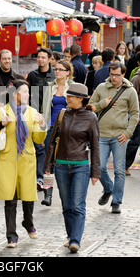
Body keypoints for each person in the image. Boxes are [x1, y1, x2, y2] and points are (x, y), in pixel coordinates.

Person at [0, 80, 47, 248]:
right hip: (8, 160)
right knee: (10, 200)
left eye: (28, 92)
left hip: (26, 159)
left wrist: (42, 126)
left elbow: (38, 139)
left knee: (28, 197)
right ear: (14, 94)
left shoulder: (32, 113)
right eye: (24, 92)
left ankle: (28, 222)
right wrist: (1, 124)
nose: (27, 95)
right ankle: (11, 236)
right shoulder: (2, 112)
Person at [43, 83, 100, 253]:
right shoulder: (62, 115)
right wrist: (48, 166)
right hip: (61, 166)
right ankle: (71, 236)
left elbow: (96, 146)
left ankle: (75, 240)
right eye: (67, 96)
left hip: (80, 166)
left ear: (80, 99)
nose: (66, 99)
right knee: (67, 206)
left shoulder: (91, 118)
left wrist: (95, 171)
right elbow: (52, 142)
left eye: (70, 96)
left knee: (77, 205)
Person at [89, 61, 139, 214]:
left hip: (120, 136)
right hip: (102, 134)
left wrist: (128, 133)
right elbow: (90, 107)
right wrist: (104, 103)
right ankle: (108, 189)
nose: (114, 78)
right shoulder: (101, 88)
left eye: (117, 75)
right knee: (99, 166)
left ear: (123, 74)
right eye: (111, 75)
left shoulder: (130, 91)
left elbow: (136, 114)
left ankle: (116, 201)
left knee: (119, 170)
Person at [40, 59, 74, 206]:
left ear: (68, 72)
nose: (57, 72)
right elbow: (43, 111)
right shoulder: (49, 87)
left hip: (68, 129)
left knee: (66, 162)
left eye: (60, 69)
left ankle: (67, 193)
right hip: (50, 128)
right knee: (49, 163)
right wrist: (42, 131)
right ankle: (48, 193)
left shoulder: (74, 87)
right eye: (55, 69)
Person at [27, 48, 55, 191]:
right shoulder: (33, 75)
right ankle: (40, 179)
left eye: (43, 57)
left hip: (53, 116)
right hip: (37, 116)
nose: (40, 60)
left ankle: (47, 180)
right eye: (38, 57)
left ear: (50, 59)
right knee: (39, 147)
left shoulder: (55, 75)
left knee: (49, 150)